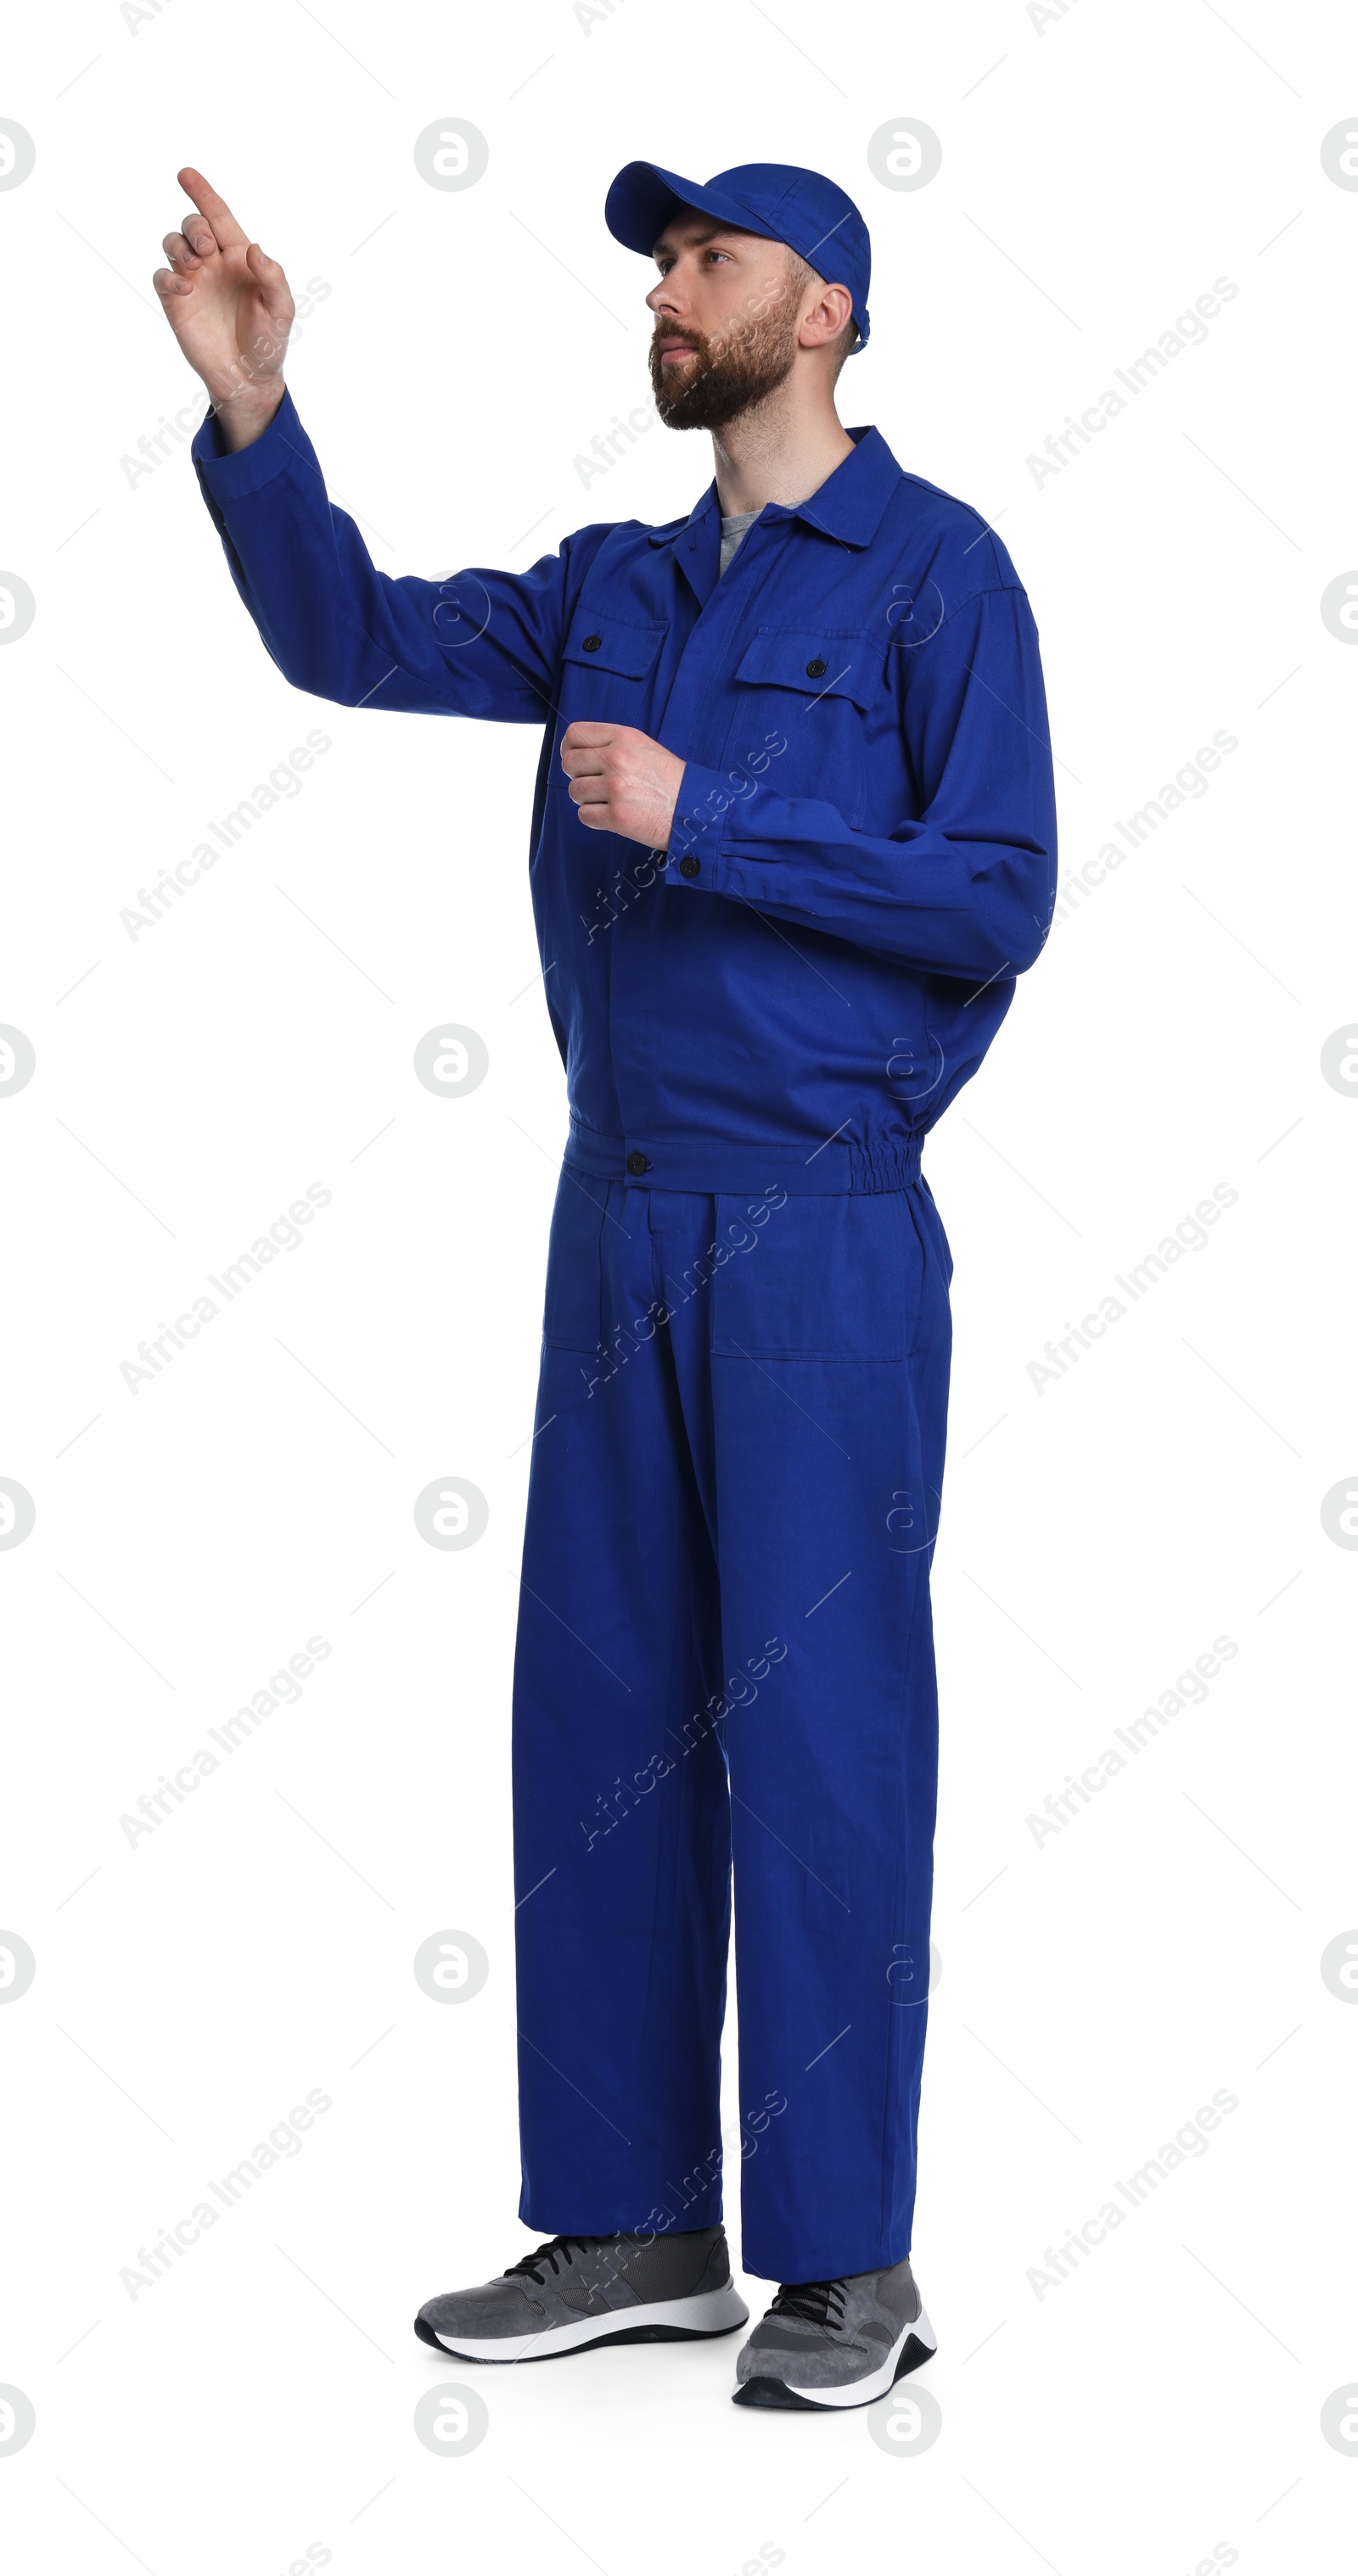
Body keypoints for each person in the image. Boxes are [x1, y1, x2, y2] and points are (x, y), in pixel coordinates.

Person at [154, 156, 1056, 2412]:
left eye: (710, 260)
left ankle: (849, 2262)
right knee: (607, 1711)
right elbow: (350, 634)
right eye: (657, 263)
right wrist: (261, 418)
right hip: (617, 1210)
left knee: (824, 1731)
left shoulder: (941, 576)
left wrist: (709, 816)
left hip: (822, 1221)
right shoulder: (619, 585)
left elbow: (999, 894)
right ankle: (640, 2218)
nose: (670, 290)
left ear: (824, 310)